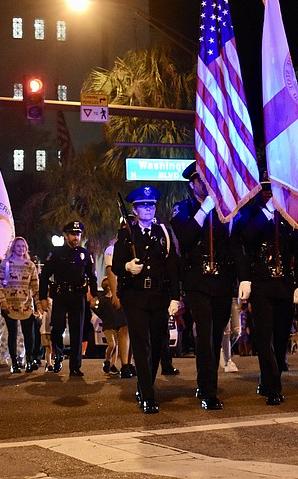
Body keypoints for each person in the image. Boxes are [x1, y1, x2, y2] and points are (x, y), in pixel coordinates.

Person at [170, 162, 241, 411]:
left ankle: (206, 380)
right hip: (197, 282)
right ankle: (209, 391)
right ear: (193, 184)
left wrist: (241, 279)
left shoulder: (224, 209)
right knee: (205, 331)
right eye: (202, 180)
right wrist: (203, 212)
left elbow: (234, 245)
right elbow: (186, 237)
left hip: (221, 282)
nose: (207, 184)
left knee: (214, 336)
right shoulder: (183, 209)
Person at [235, 178, 298, 406]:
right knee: (264, 337)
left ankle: (269, 379)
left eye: (274, 189)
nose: (269, 194)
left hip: (284, 284)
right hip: (262, 283)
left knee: (279, 338)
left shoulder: (290, 216)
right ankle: (273, 388)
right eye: (265, 189)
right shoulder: (250, 213)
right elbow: (248, 237)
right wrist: (268, 211)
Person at [112, 186, 180, 415]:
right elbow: (117, 265)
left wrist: (174, 297)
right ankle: (148, 395)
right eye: (143, 205)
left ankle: (145, 385)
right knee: (141, 346)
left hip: (159, 296)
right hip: (135, 297)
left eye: (151, 205)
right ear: (134, 209)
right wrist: (127, 268)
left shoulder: (163, 233)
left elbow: (172, 267)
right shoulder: (126, 234)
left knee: (157, 344)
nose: (148, 209)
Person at [38, 221, 97, 377]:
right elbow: (44, 276)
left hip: (78, 296)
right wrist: (42, 298)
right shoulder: (56, 253)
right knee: (57, 327)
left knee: (77, 330)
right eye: (72, 234)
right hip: (61, 295)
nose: (75, 237)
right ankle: (58, 355)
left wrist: (94, 296)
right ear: (65, 235)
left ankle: (75, 366)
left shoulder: (84, 254)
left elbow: (91, 276)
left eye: (78, 234)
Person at [0, 236, 40, 373]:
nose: (21, 248)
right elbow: (0, 283)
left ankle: (29, 359)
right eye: (18, 246)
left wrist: (38, 303)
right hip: (10, 304)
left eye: (23, 246)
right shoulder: (6, 264)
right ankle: (14, 362)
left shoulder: (30, 265)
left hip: (26, 304)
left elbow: (35, 285)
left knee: (29, 334)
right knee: (12, 333)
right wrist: (3, 301)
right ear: (13, 248)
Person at [102, 236, 133, 379]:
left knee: (130, 329)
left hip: (134, 291)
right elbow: (111, 272)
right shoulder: (111, 249)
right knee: (124, 328)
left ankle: (130, 363)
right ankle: (125, 364)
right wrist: (115, 294)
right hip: (123, 290)